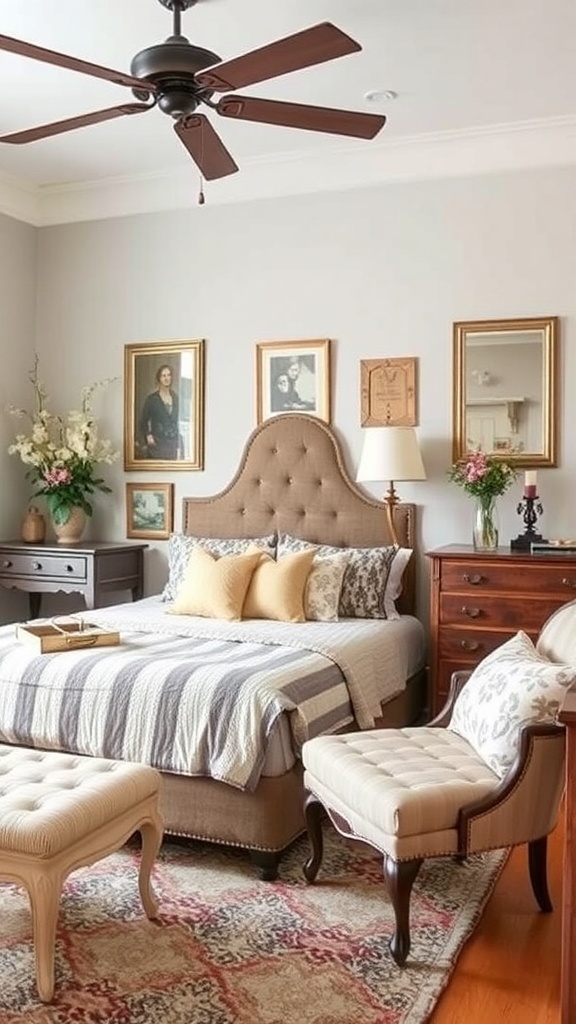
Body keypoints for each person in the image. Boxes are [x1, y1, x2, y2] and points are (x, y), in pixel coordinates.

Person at [138, 364, 183, 459]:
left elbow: (177, 421)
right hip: (157, 445)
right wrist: (148, 435)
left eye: (169, 375)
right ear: (159, 378)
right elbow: (143, 421)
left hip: (172, 446)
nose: (167, 378)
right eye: (164, 376)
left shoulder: (175, 398)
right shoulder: (152, 399)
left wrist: (178, 445)